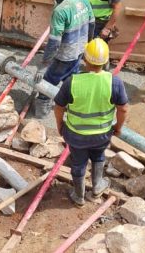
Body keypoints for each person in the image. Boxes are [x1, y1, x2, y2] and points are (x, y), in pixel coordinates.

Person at [53, 38, 129, 206]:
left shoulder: (72, 81)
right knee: (98, 156)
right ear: (106, 61)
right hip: (102, 135)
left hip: (76, 135)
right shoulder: (114, 82)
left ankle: (78, 196)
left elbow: (58, 107)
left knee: (78, 162)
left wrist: (60, 125)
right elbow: (123, 109)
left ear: (84, 59)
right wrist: (118, 127)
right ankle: (97, 186)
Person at [34, 0, 92, 118]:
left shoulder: (61, 10)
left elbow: (54, 42)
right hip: (80, 49)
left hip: (65, 54)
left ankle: (41, 112)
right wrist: (88, 45)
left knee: (47, 82)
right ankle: (76, 106)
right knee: (71, 79)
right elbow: (92, 22)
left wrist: (44, 65)